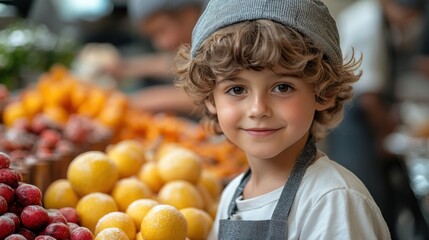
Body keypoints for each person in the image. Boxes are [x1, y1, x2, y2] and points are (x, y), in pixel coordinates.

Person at [174, 0, 391, 239]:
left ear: (323, 92)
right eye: (237, 89)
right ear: (211, 98)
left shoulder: (334, 201)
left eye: (282, 87)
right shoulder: (232, 195)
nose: (258, 109)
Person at [102, 0, 206, 116]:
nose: (160, 44)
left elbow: (209, 96)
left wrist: (133, 101)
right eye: (152, 36)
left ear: (188, 15)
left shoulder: (220, 37)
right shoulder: (197, 44)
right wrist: (127, 68)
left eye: (161, 30)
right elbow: (176, 62)